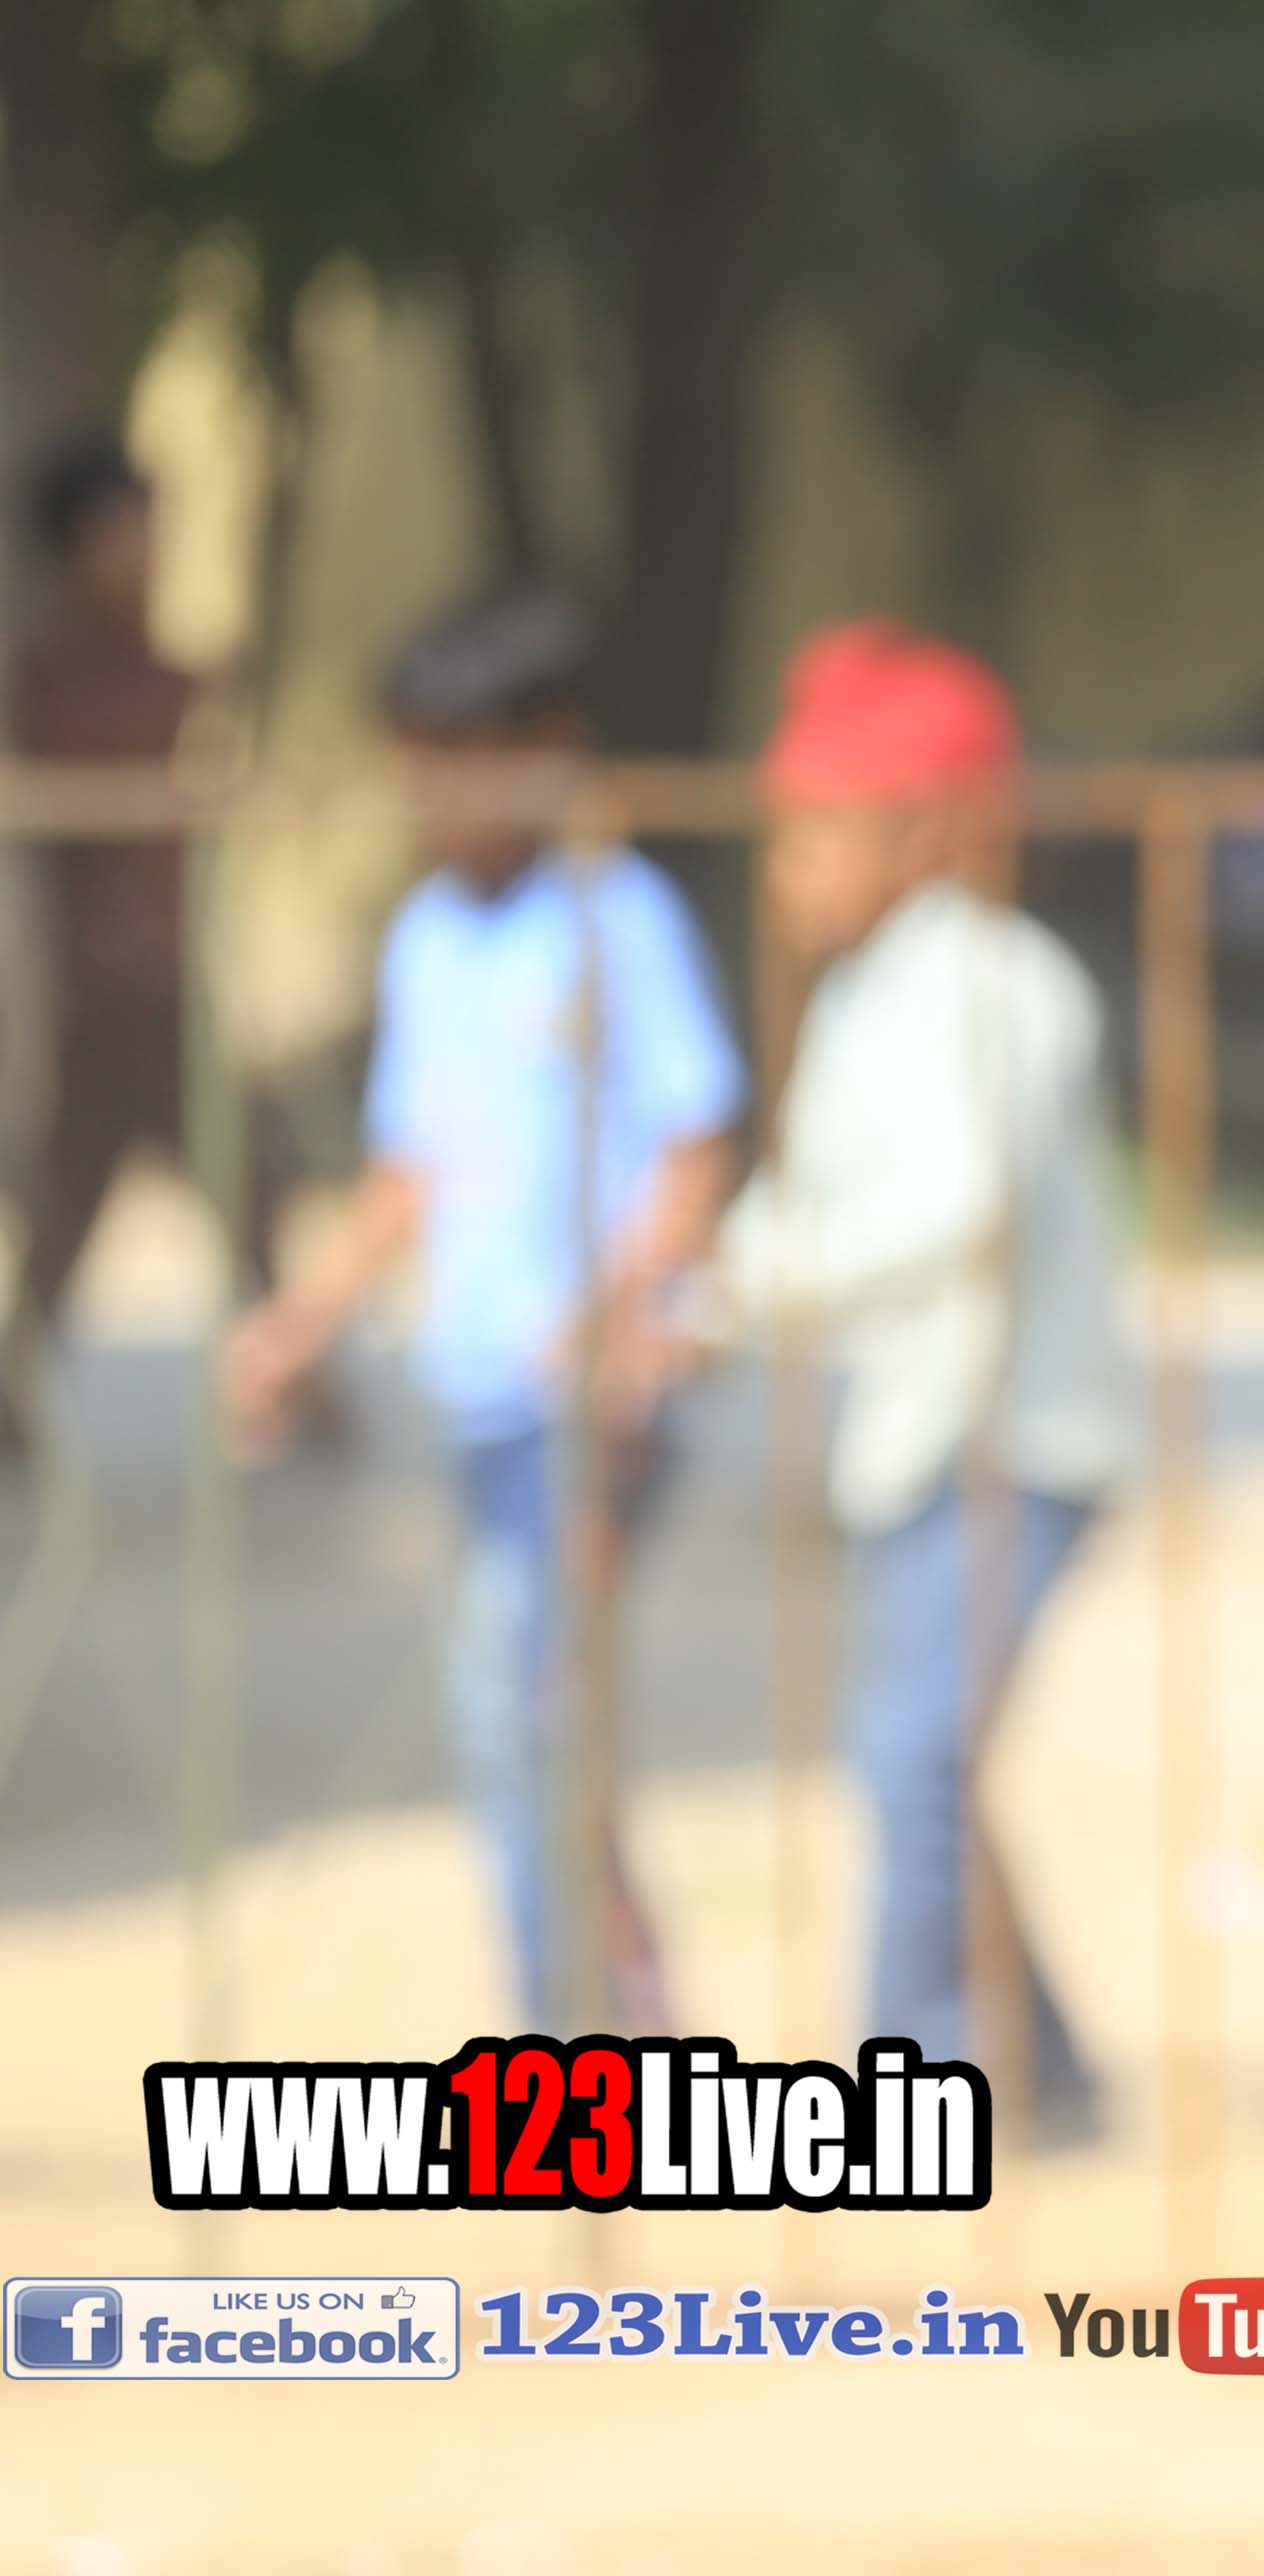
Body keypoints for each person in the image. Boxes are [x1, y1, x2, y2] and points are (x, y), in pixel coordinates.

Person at [225, 583, 742, 2028]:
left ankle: (571, 2049)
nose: (436, 801)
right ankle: (622, 2024)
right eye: (419, 768)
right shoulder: (432, 940)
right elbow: (411, 1173)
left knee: (520, 1711)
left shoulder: (622, 919)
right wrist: (300, 1327)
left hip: (595, 1406)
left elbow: (696, 1144)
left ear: (551, 744)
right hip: (480, 1397)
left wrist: (621, 1305)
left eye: (463, 764)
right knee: (537, 1727)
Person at [689, 622, 1133, 2139]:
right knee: (921, 1764)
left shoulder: (998, 985)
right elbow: (800, 1207)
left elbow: (954, 1213)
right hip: (918, 1441)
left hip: (1019, 1443)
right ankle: (1049, 2072)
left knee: (914, 1759)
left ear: (928, 832)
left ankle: (908, 2092)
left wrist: (746, 1290)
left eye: (818, 833)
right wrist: (692, 1295)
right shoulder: (864, 997)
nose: (788, 870)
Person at [5, 428, 244, 1468]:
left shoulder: (169, 677)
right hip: (107, 987)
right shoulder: (64, 683)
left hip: (160, 976)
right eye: (121, 532)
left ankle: (305, 1376)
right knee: (101, 1197)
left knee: (235, 1177)